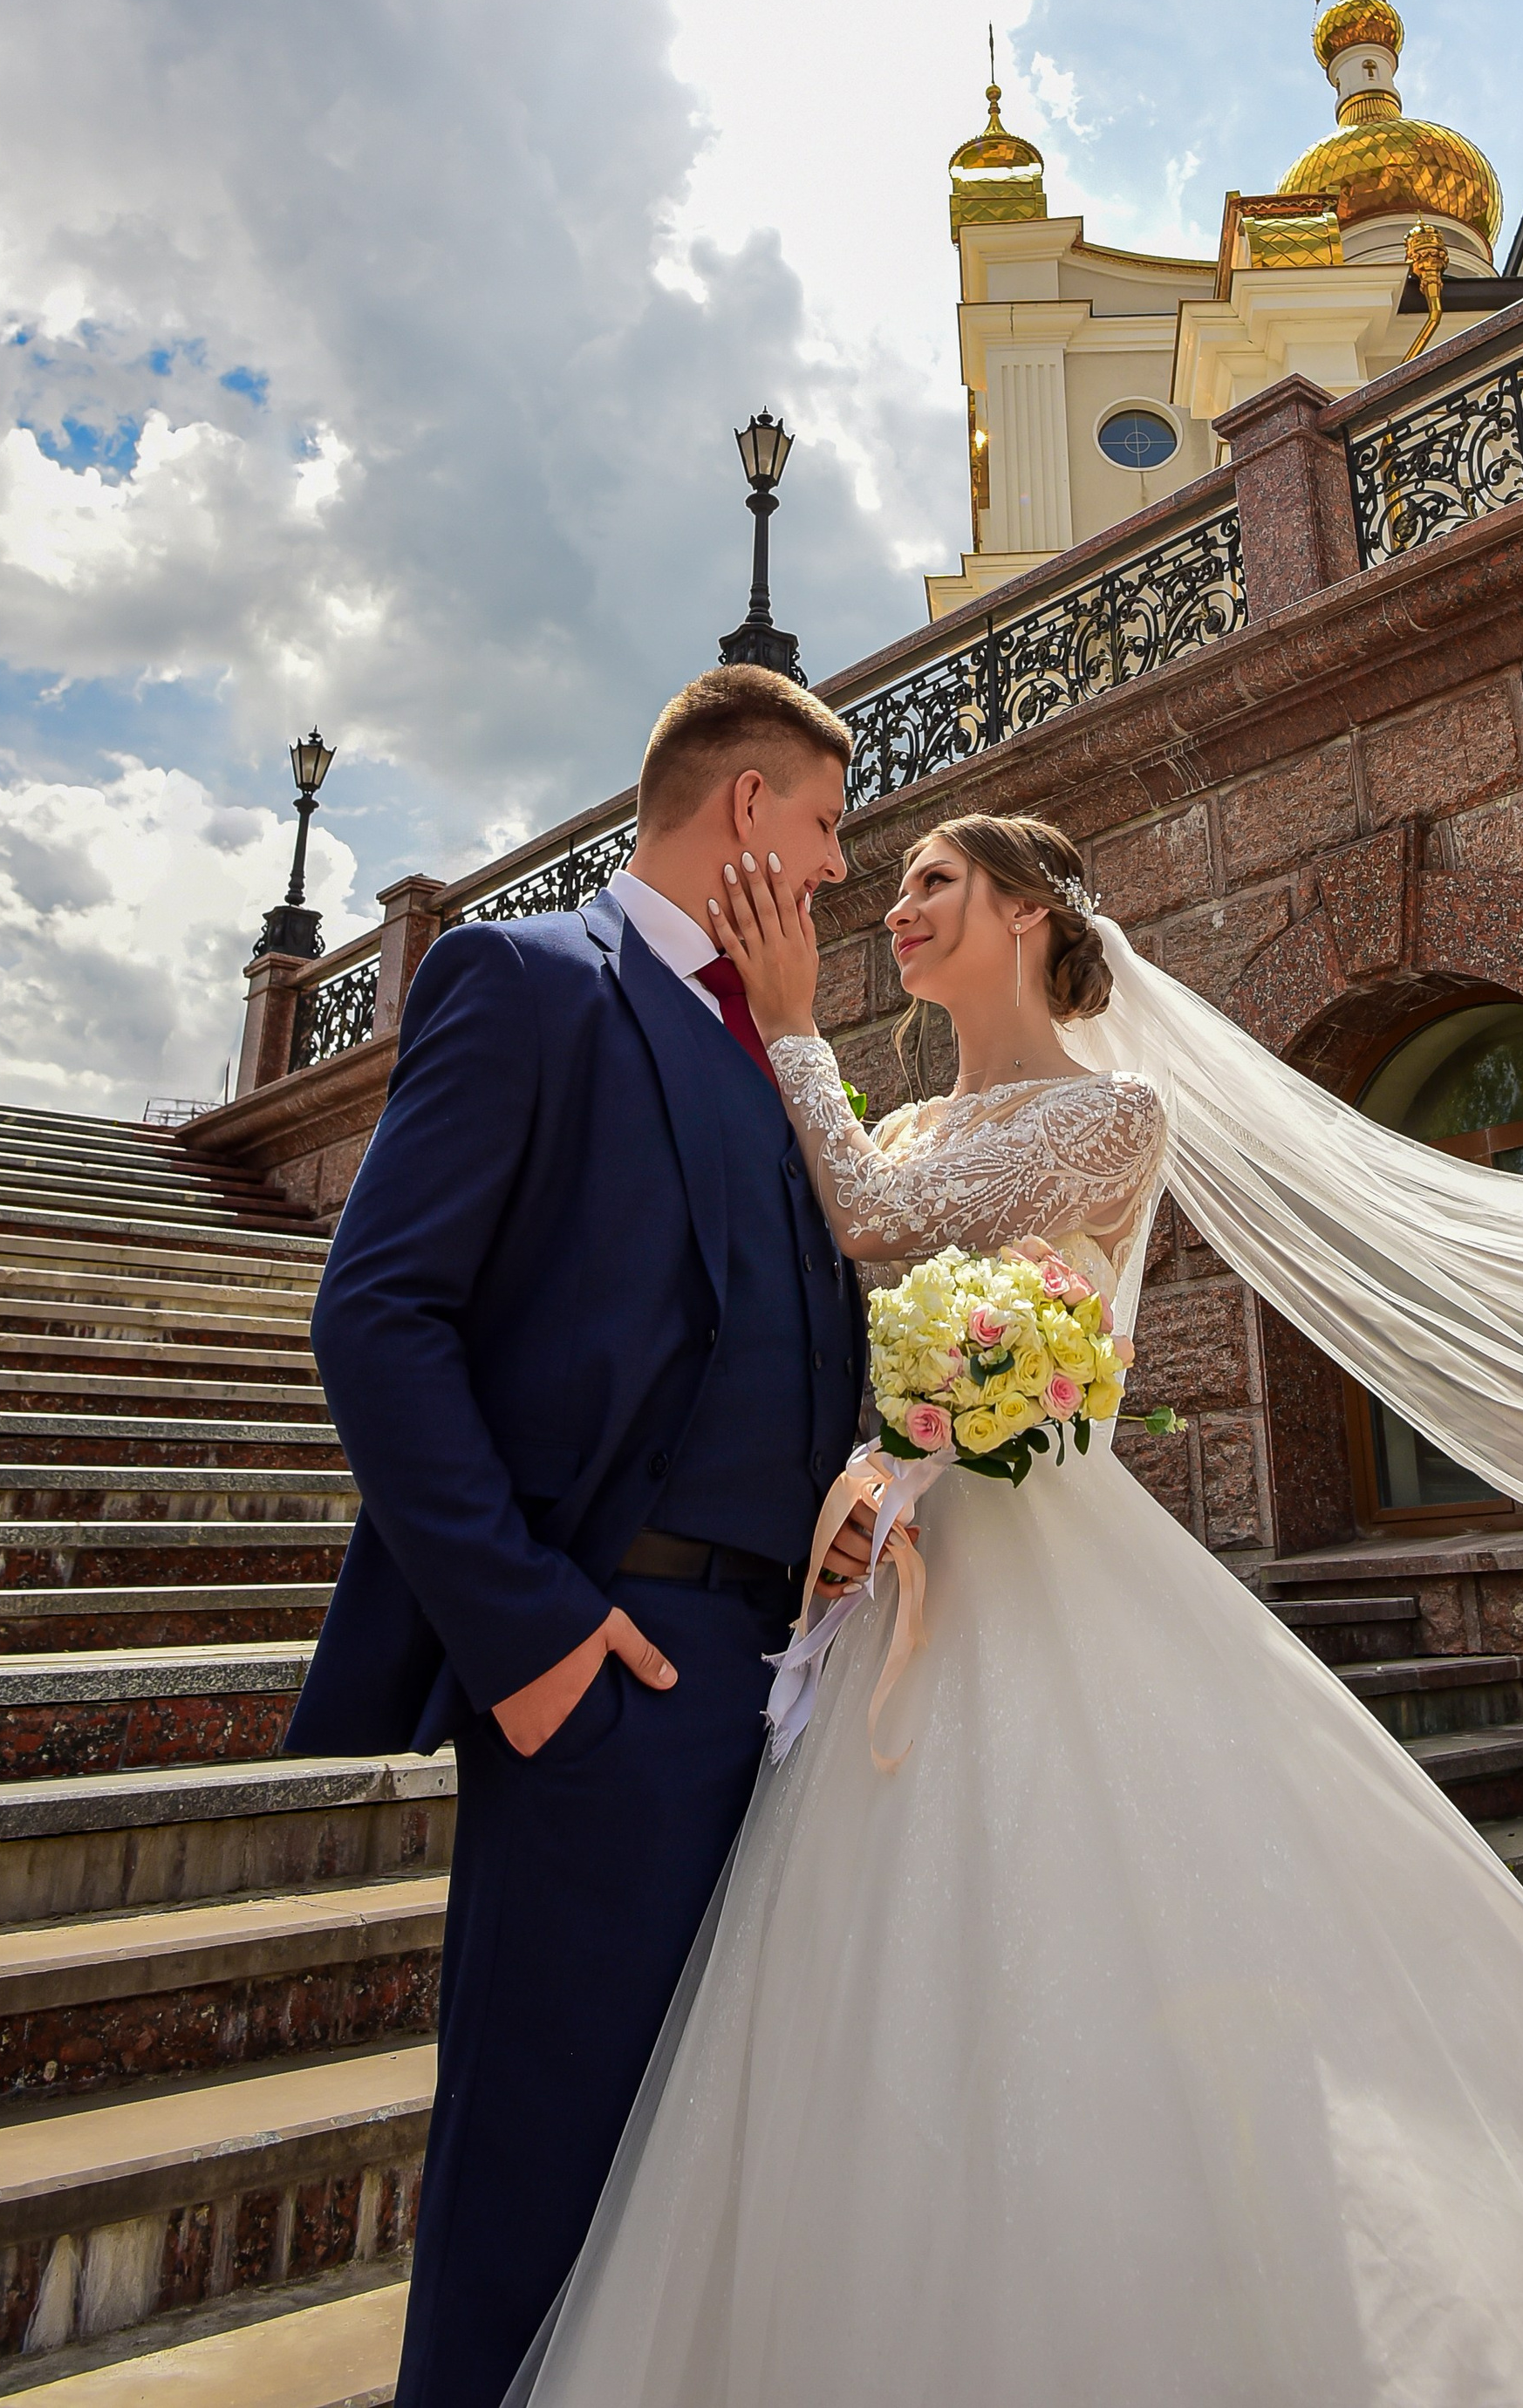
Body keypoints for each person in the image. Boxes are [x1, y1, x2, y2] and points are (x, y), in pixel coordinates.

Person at [505, 808, 1523, 2407]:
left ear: (1031, 909)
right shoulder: (899, 1127)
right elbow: (858, 1315)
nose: (895, 903)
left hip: (1054, 1582)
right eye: (890, 882)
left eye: (933, 882)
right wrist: (854, 1489)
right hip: (896, 1593)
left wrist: (790, 1032)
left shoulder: (1111, 1117)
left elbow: (874, 1231)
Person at [285, 666, 884, 2408]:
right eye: (831, 826)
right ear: (749, 808)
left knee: (705, 2176)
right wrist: (535, 1643)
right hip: (608, 1675)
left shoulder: (771, 1040)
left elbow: (774, 1323)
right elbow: (379, 1315)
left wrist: (831, 1496)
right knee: (548, 2168)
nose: (842, 870)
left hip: (781, 1677)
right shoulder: (533, 980)